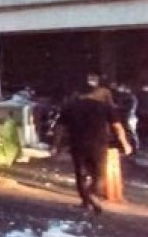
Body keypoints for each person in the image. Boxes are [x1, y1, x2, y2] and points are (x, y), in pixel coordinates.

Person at [56, 83, 133, 214]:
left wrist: (55, 145)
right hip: (98, 144)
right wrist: (125, 143)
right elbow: (117, 127)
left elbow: (60, 127)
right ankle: (92, 194)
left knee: (80, 173)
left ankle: (86, 201)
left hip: (77, 143)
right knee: (98, 174)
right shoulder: (105, 107)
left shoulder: (71, 106)